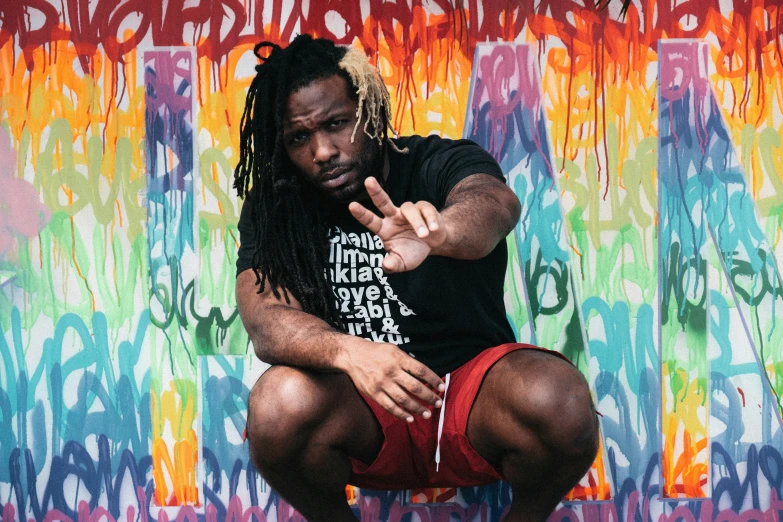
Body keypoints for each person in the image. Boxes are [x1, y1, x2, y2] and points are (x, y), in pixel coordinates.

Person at [234, 34, 599, 522]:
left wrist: (441, 232)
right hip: (362, 410)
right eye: (299, 137)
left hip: (472, 401)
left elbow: (494, 205)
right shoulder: (276, 206)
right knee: (277, 404)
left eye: (336, 124)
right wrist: (350, 352)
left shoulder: (436, 161)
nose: (322, 151)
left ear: (368, 109)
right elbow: (265, 319)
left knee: (558, 399)